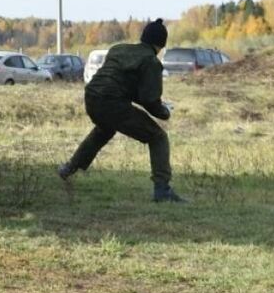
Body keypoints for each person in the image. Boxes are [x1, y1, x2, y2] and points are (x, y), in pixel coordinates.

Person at [57, 19, 183, 202]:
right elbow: (149, 100)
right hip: (112, 103)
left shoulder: (119, 49)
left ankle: (69, 169)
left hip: (91, 97)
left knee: (104, 130)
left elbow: (124, 86)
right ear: (161, 44)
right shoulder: (151, 61)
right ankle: (162, 190)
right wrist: (165, 112)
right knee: (158, 137)